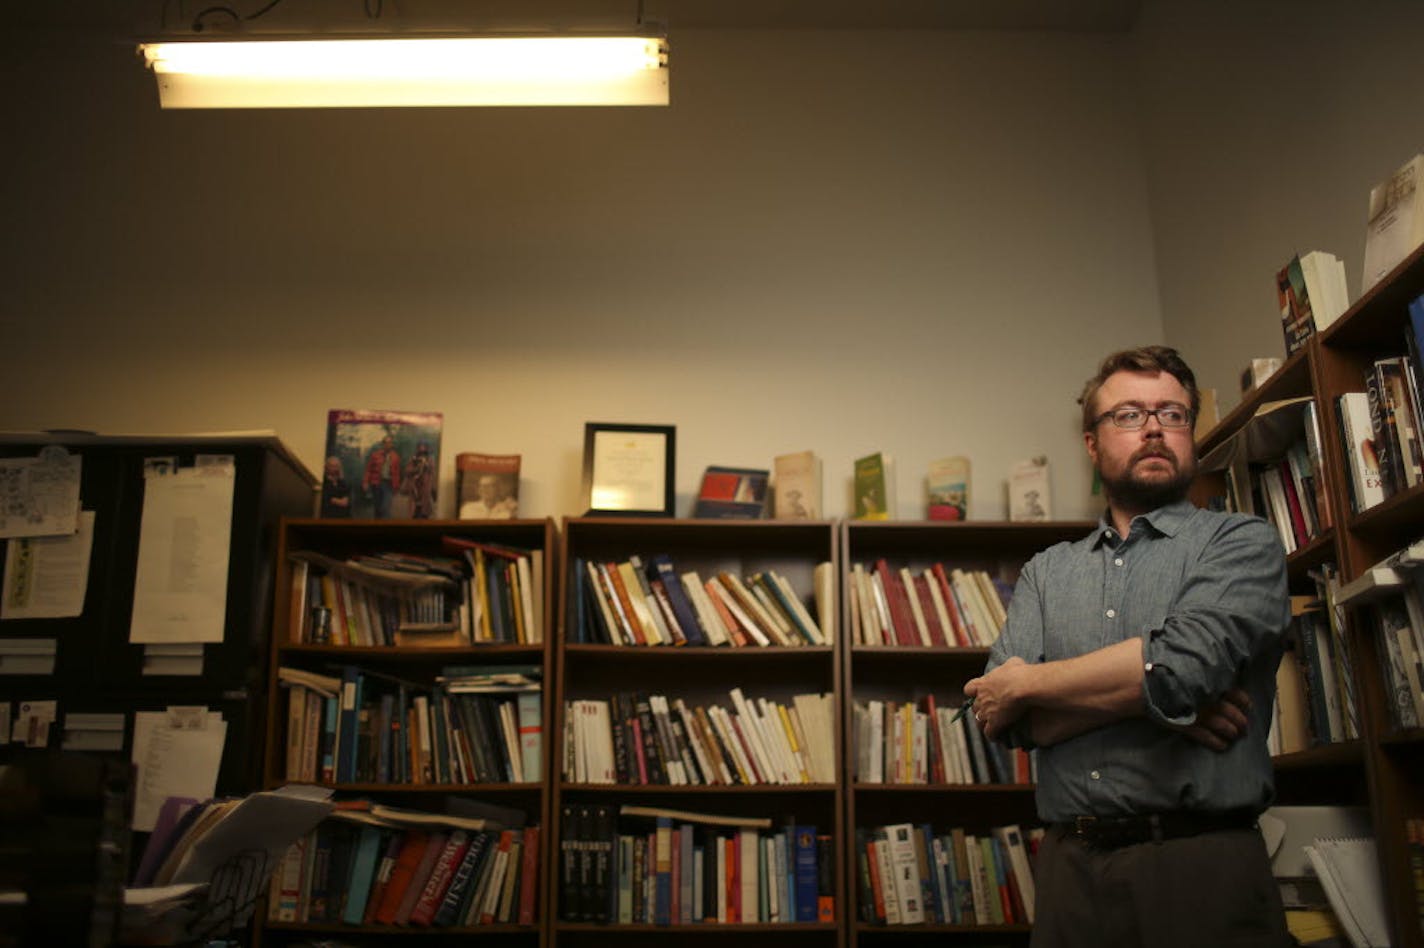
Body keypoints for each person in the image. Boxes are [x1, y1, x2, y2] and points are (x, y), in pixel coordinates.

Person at [963, 345, 1291, 948]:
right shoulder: (1044, 573)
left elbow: (1182, 669)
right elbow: (999, 719)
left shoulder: (1242, 542)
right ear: (1092, 444)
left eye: (1172, 414)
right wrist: (1156, 707)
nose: (1154, 431)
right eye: (1130, 416)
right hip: (1070, 873)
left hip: (1202, 866)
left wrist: (1028, 683)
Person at [362, 435, 401, 518]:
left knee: (385, 507)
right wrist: (365, 482)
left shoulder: (395, 456)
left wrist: (396, 486)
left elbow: (397, 473)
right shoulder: (375, 455)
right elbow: (368, 470)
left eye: (390, 443)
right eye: (386, 443)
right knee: (377, 508)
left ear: (392, 444)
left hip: (388, 484)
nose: (388, 445)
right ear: (383, 444)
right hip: (376, 483)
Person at [400, 441, 437, 519]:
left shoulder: (430, 459)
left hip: (425, 485)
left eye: (423, 447)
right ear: (417, 448)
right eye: (420, 447)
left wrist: (426, 465)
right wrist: (416, 469)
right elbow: (407, 470)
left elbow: (432, 471)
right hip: (414, 485)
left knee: (425, 509)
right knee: (414, 509)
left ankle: (424, 514)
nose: (421, 448)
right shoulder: (413, 458)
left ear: (426, 448)